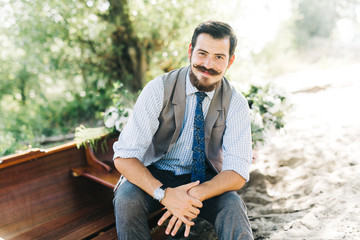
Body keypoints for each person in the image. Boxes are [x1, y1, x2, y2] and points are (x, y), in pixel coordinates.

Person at [112, 20, 253, 240]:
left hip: (204, 178)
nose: (208, 64)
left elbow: (238, 172)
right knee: (127, 200)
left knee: (233, 205)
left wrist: (189, 195)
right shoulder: (158, 89)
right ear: (190, 51)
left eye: (219, 57)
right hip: (155, 171)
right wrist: (165, 194)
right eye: (202, 53)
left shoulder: (236, 102)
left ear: (230, 61)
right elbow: (124, 157)